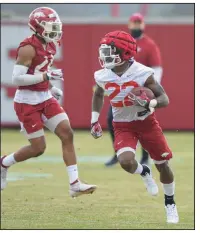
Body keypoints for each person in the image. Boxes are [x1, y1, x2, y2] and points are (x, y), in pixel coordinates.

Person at [1, 7, 96, 197]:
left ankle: (74, 184)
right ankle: (4, 163)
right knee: (38, 148)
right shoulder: (28, 48)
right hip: (27, 101)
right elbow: (17, 79)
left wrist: (49, 87)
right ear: (37, 27)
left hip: (44, 96)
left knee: (67, 133)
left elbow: (38, 70)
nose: (54, 29)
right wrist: (46, 76)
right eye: (49, 25)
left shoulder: (51, 44)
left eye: (55, 25)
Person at [91, 30, 179, 223]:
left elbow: (164, 98)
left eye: (110, 51)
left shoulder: (142, 72)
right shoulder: (103, 74)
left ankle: (170, 202)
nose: (105, 56)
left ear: (125, 53)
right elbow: (98, 94)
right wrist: (94, 120)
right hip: (122, 124)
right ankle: (144, 172)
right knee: (125, 161)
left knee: (163, 165)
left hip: (146, 123)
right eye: (104, 51)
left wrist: (150, 104)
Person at [105, 13, 163, 167]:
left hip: (140, 91)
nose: (136, 26)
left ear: (143, 25)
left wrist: (148, 89)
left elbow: (156, 69)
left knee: (143, 123)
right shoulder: (121, 44)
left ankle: (145, 156)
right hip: (122, 90)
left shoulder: (149, 45)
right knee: (112, 119)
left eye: (139, 23)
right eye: (134, 23)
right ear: (129, 25)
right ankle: (118, 152)